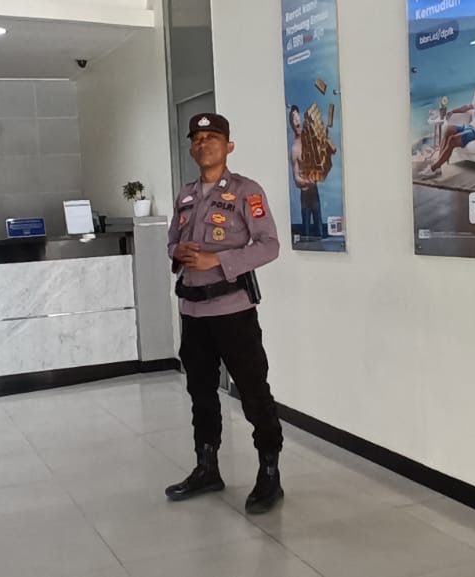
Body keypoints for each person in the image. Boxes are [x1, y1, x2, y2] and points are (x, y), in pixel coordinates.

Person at [165, 113, 285, 514]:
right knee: (200, 393)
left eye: (212, 138)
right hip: (193, 313)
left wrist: (218, 261)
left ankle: (269, 473)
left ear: (228, 146)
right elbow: (172, 242)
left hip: (233, 312)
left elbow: (269, 245)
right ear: (191, 148)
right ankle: (207, 468)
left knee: (253, 392)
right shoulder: (185, 195)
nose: (203, 144)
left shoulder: (246, 191)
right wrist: (178, 252)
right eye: (197, 139)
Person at [427, 57, 475, 177]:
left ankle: (432, 169)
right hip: (470, 126)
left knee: (452, 140)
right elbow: (468, 106)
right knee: (447, 130)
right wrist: (453, 111)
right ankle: (438, 167)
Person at [288, 105, 336, 240]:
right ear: (291, 124)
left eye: (297, 116)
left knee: (319, 230)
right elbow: (296, 178)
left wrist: (328, 144)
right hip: (304, 194)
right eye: (293, 118)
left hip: (315, 192)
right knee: (306, 233)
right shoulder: (295, 149)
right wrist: (306, 181)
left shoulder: (311, 136)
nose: (296, 120)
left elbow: (329, 149)